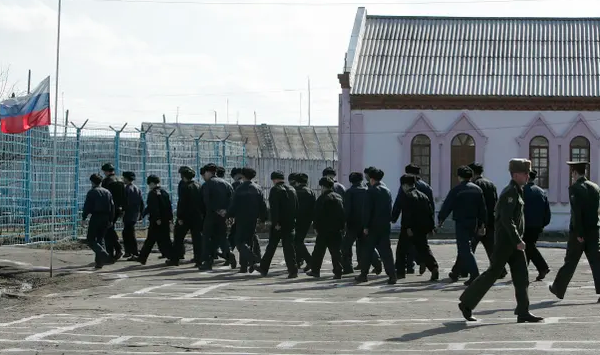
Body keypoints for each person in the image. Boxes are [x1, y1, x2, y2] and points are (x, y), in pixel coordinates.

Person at [459, 159, 543, 323]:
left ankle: (523, 311)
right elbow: (506, 219)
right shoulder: (510, 192)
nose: (528, 176)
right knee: (493, 273)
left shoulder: (518, 191)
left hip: (514, 243)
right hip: (506, 243)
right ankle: (466, 303)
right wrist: (518, 240)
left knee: (522, 276)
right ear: (516, 174)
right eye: (525, 173)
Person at [550, 161, 600, 302]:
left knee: (570, 262)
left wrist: (579, 233)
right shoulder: (595, 187)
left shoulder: (575, 188)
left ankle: (558, 288)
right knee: (597, 262)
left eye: (572, 173)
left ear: (575, 173)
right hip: (594, 231)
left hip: (580, 232)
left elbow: (577, 213)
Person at [438, 166, 486, 285]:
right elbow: (482, 209)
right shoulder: (477, 189)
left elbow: (447, 205)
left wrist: (441, 219)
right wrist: (481, 224)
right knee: (465, 248)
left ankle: (474, 274)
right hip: (473, 222)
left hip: (461, 222)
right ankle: (456, 272)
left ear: (459, 177)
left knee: (464, 249)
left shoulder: (457, 190)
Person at [355, 168, 397, 285]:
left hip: (373, 226)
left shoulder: (370, 191)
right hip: (384, 225)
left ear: (371, 178)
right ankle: (392, 275)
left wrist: (365, 226)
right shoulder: (386, 190)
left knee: (367, 251)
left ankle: (363, 275)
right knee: (386, 252)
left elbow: (367, 210)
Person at [394, 174, 439, 281]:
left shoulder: (408, 196)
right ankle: (434, 267)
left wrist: (408, 227)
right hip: (422, 228)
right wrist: (431, 227)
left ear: (404, 185)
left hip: (410, 229)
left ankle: (400, 272)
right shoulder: (423, 196)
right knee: (423, 249)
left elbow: (408, 215)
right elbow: (430, 212)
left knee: (401, 251)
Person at [466, 162, 507, 279]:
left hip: (479, 221)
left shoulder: (474, 185)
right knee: (491, 247)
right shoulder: (490, 184)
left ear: (472, 173)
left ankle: (460, 270)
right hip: (491, 220)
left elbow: (476, 204)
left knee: (468, 247)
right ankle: (501, 270)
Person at [257, 170, 299, 278]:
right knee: (289, 247)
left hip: (279, 224)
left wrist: (275, 222)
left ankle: (263, 267)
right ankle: (293, 270)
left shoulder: (275, 190)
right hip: (290, 223)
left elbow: (274, 208)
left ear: (274, 180)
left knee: (271, 246)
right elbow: (297, 207)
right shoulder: (292, 189)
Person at [226, 167, 268, 273]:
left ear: (243, 176)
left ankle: (252, 260)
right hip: (253, 218)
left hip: (241, 218)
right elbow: (262, 205)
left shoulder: (239, 189)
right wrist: (263, 219)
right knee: (249, 241)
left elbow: (234, 204)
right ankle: (244, 266)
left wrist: (229, 215)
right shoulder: (257, 188)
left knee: (239, 241)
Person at [342, 172, 382, 275]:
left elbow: (347, 210)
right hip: (365, 223)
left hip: (352, 224)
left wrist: (343, 223)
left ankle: (347, 268)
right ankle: (377, 264)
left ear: (351, 181)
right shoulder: (367, 190)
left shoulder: (350, 192)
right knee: (367, 245)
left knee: (346, 246)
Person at [199, 163, 236, 270]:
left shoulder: (207, 185)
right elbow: (232, 199)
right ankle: (228, 254)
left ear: (207, 172)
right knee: (222, 237)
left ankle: (207, 261)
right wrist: (227, 212)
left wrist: (216, 210)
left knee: (207, 238)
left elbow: (206, 201)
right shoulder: (227, 184)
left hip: (211, 215)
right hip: (223, 216)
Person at [307, 177, 345, 279]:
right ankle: (338, 271)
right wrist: (342, 227)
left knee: (318, 251)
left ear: (323, 187)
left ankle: (315, 271)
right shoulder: (339, 197)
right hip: (336, 230)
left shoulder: (322, 198)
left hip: (324, 230)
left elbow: (317, 215)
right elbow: (342, 214)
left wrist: (315, 227)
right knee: (336, 252)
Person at [136, 175, 174, 265]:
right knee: (165, 239)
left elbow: (153, 207)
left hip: (156, 221)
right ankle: (172, 257)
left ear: (152, 183)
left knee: (150, 240)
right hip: (165, 220)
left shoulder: (152, 193)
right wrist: (170, 218)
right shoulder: (164, 192)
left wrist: (156, 218)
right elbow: (169, 206)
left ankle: (142, 258)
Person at [169, 166, 204, 267]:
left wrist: (179, 217)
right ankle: (199, 260)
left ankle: (175, 259)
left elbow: (182, 203)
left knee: (178, 237)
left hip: (186, 217)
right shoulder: (198, 185)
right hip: (197, 217)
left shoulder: (184, 187)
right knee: (197, 239)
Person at [523, 169, 552, 281]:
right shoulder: (541, 191)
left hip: (526, 225)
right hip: (537, 225)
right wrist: (543, 224)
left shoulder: (521, 190)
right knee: (528, 247)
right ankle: (524, 270)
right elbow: (547, 211)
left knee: (528, 246)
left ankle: (543, 267)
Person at [81, 174, 113, 269]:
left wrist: (84, 218)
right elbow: (112, 207)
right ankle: (99, 263)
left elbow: (87, 206)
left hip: (96, 216)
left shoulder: (92, 192)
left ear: (92, 182)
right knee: (100, 239)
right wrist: (111, 219)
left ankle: (104, 254)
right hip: (106, 217)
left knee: (90, 239)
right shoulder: (107, 192)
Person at [101, 163, 125, 261]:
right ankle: (116, 250)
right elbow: (124, 195)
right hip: (119, 208)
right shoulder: (120, 180)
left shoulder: (106, 181)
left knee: (107, 230)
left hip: (109, 209)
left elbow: (105, 196)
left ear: (106, 171)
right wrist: (123, 208)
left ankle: (112, 251)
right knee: (110, 228)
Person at [292, 173, 316, 272]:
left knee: (297, 241)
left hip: (296, 219)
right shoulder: (311, 191)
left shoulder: (295, 191)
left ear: (297, 182)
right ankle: (299, 261)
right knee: (298, 241)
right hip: (307, 220)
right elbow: (314, 207)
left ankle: (309, 261)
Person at [122, 171, 144, 260]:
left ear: (126, 179)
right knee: (127, 232)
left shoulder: (126, 189)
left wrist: (122, 211)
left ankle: (134, 252)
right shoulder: (137, 188)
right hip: (134, 213)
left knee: (129, 234)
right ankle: (128, 251)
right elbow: (141, 202)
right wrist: (141, 214)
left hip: (128, 213)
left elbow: (125, 202)